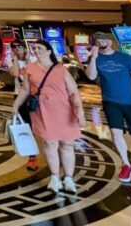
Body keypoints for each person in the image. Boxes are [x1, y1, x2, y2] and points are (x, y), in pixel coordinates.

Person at [12, 39, 84, 194]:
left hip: (64, 110)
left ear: (49, 51)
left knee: (67, 144)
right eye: (35, 48)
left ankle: (69, 178)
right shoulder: (30, 68)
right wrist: (16, 105)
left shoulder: (61, 69)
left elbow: (73, 92)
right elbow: (25, 89)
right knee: (50, 144)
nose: (36, 51)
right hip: (42, 110)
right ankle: (55, 177)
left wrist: (80, 112)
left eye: (40, 48)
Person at [85, 31, 131, 184]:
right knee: (116, 133)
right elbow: (90, 76)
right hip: (111, 101)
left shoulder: (124, 57)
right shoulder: (94, 58)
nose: (101, 42)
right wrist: (94, 57)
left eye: (103, 39)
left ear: (110, 42)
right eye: (97, 40)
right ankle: (126, 164)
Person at [7, 41, 38, 171]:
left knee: (38, 124)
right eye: (14, 47)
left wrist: (28, 59)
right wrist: (15, 60)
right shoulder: (11, 61)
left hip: (35, 95)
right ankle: (32, 157)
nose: (17, 49)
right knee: (28, 126)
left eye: (19, 46)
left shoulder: (33, 59)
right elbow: (14, 74)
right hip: (20, 96)